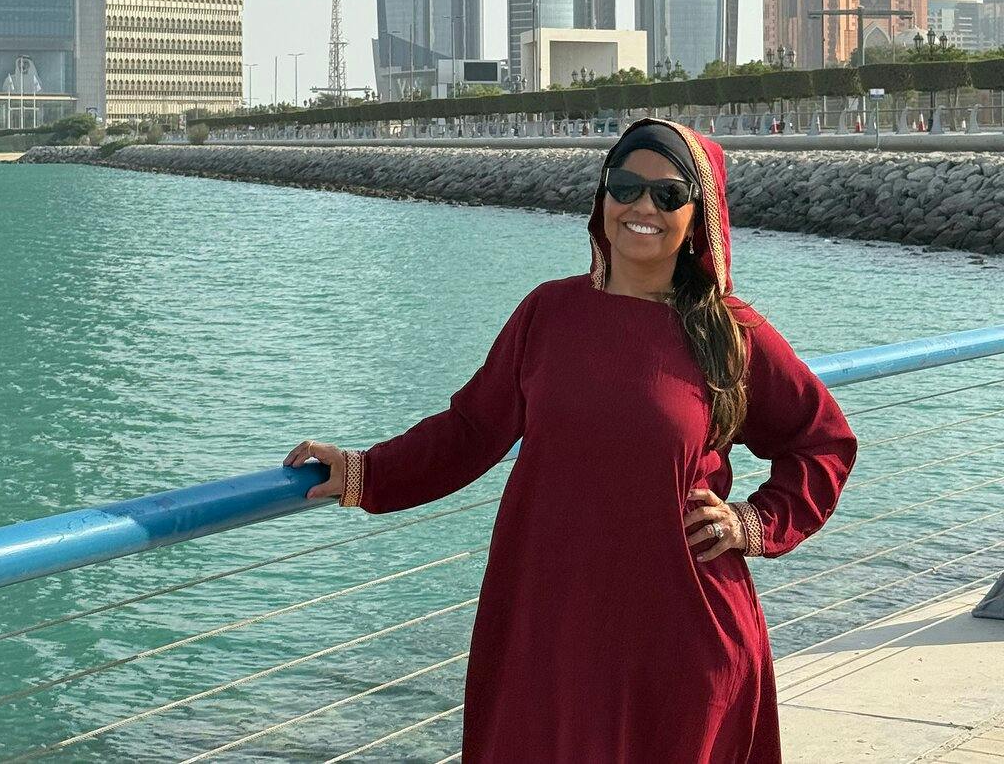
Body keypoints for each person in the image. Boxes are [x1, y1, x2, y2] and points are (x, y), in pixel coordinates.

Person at [283, 118, 858, 762]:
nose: (642, 207)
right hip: (550, 623)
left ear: (698, 215)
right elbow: (471, 430)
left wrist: (753, 523)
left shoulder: (731, 332)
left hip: (680, 637)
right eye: (625, 186)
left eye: (668, 194)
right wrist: (364, 472)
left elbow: (823, 442)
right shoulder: (549, 313)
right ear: (602, 198)